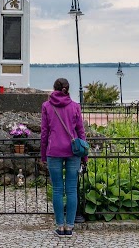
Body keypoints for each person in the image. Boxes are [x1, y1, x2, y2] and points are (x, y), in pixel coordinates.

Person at [40, 77, 86, 236]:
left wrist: (43, 154)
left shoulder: (46, 106)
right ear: (68, 89)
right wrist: (84, 157)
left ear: (54, 89)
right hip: (73, 151)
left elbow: (44, 132)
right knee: (72, 189)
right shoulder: (75, 106)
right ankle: (70, 227)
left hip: (54, 151)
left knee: (58, 189)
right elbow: (81, 132)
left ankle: (60, 226)